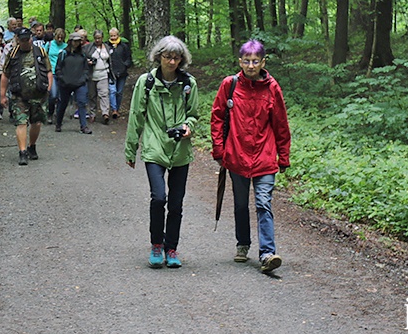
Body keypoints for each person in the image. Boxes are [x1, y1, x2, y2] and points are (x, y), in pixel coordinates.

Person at [210, 39, 291, 274]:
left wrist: (283, 156)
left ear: (263, 62)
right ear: (240, 62)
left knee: (263, 203)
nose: (251, 65)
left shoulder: (272, 88)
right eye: (247, 61)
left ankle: (267, 254)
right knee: (240, 204)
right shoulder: (230, 85)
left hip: (265, 158)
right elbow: (217, 118)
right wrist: (219, 150)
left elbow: (281, 124)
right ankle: (243, 243)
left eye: (256, 61)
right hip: (236, 156)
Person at [124, 35, 198, 269]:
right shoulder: (146, 82)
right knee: (159, 198)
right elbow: (136, 115)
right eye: (167, 56)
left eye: (176, 57)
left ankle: (171, 248)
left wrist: (188, 126)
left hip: (180, 150)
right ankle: (157, 244)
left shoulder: (189, 84)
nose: (172, 62)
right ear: (159, 57)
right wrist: (131, 148)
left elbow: (193, 114)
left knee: (176, 203)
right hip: (155, 146)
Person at [1, 27, 53, 166]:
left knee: (36, 123)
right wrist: (2, 95)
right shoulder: (12, 54)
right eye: (22, 40)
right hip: (19, 96)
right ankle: (22, 152)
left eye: (28, 39)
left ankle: (32, 146)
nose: (26, 42)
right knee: (21, 122)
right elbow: (5, 74)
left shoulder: (40, 52)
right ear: (18, 40)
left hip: (39, 95)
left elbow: (48, 71)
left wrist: (48, 88)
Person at [53, 33, 92, 134]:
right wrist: (62, 79)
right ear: (70, 41)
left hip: (80, 83)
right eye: (75, 41)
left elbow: (86, 69)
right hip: (65, 84)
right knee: (63, 104)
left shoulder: (83, 54)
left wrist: (84, 78)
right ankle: (58, 123)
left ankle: (84, 126)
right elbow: (58, 69)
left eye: (78, 41)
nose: (77, 43)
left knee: (82, 102)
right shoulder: (63, 54)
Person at [84, 30, 112, 124]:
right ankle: (92, 113)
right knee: (92, 95)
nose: (97, 40)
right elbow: (83, 57)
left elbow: (111, 60)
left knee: (104, 94)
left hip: (103, 74)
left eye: (99, 38)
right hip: (92, 75)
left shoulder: (107, 47)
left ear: (102, 38)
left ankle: (105, 113)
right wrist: (88, 62)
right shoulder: (88, 47)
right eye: (96, 38)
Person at [106, 27, 132, 119]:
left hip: (122, 72)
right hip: (111, 72)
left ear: (118, 35)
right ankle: (114, 110)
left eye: (114, 35)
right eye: (111, 36)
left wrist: (125, 65)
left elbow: (129, 58)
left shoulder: (124, 45)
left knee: (119, 92)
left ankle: (117, 107)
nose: (113, 37)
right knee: (112, 91)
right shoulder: (106, 45)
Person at [45, 27, 67, 118]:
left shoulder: (65, 46)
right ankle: (50, 112)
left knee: (61, 96)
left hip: (62, 73)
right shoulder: (49, 44)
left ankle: (58, 115)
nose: (59, 39)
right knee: (53, 95)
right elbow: (43, 56)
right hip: (52, 72)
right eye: (58, 37)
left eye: (61, 38)